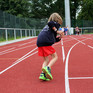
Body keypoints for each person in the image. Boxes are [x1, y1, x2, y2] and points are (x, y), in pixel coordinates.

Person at [37, 13, 64, 81]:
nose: (59, 25)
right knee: (55, 57)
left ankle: (43, 74)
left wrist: (60, 37)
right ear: (58, 20)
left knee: (46, 60)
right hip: (45, 42)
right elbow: (50, 23)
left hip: (40, 42)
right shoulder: (53, 24)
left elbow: (54, 39)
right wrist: (57, 31)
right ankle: (48, 68)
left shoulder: (50, 27)